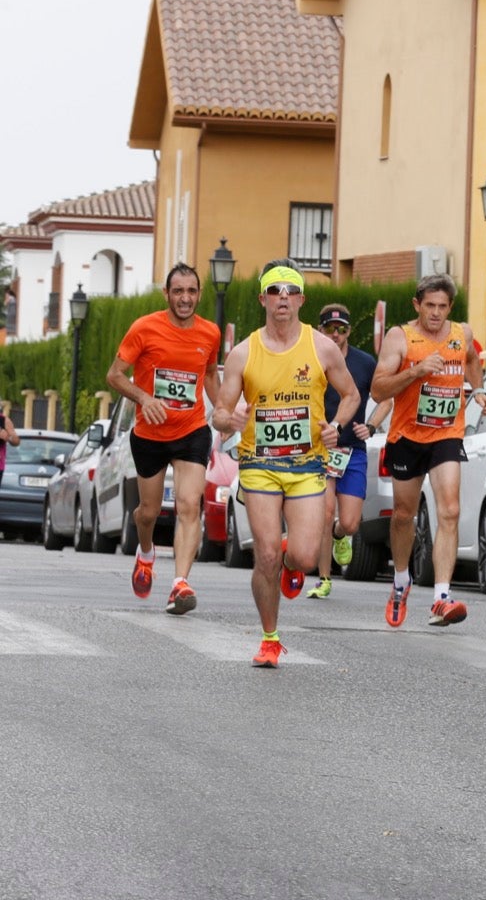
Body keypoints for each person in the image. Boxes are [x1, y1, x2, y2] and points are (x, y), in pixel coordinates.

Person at [211, 263, 360, 666]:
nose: (282, 296)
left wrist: (337, 426)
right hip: (258, 463)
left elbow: (351, 394)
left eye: (290, 290)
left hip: (307, 464)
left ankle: (290, 558)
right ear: (263, 298)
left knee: (306, 557)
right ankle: (270, 639)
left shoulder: (321, 347)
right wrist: (231, 419)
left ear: (300, 300)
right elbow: (219, 413)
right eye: (274, 290)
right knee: (265, 554)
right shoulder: (243, 352)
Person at [370, 273, 486, 628]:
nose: (436, 313)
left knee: (450, 510)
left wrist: (479, 389)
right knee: (404, 516)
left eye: (442, 307)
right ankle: (401, 581)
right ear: (417, 305)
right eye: (430, 306)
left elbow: (471, 360)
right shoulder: (400, 337)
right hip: (407, 436)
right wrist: (416, 371)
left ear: (450, 307)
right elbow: (379, 390)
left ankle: (441, 596)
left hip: (446, 434)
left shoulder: (462, 333)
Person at [105, 264, 222, 615]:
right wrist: (144, 398)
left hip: (192, 432)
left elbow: (211, 374)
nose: (185, 298)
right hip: (149, 434)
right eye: (178, 291)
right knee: (148, 513)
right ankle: (145, 553)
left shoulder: (210, 333)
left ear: (199, 294)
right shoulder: (144, 328)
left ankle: (180, 584)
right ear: (167, 295)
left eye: (191, 291)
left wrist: (222, 411)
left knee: (190, 505)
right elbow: (114, 375)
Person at [306, 304, 392, 599]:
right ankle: (324, 579)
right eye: (330, 329)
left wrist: (371, 425)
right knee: (326, 511)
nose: (336, 335)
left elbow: (385, 400)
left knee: (351, 522)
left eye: (342, 329)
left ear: (349, 331)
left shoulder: (365, 362)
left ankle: (340, 536)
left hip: (352, 450)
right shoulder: (310, 360)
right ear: (320, 331)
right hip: (321, 449)